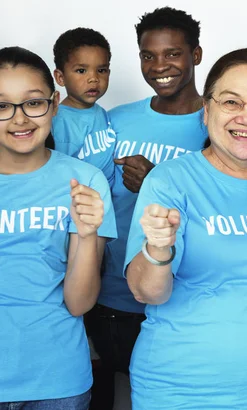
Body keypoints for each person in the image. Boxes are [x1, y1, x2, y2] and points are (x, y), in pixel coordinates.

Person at [125, 47, 247, 409]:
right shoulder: (171, 180)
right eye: (231, 102)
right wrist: (159, 250)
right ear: (206, 111)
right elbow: (147, 292)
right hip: (178, 390)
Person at [85, 7, 208, 410]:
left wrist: (158, 183)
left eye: (172, 54)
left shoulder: (220, 123)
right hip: (110, 300)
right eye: (147, 55)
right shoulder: (115, 120)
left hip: (183, 302)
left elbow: (233, 212)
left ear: (196, 55)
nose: (160, 66)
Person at [0, 46, 116, 409]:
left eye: (33, 103)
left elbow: (79, 303)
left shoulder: (85, 181)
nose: (19, 119)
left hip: (57, 380)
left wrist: (86, 235)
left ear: (53, 103)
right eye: (2, 106)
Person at [51, 27, 116, 186]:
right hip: (81, 202)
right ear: (60, 77)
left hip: (107, 200)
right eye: (81, 70)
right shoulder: (58, 121)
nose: (93, 78)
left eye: (101, 70)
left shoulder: (100, 112)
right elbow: (56, 175)